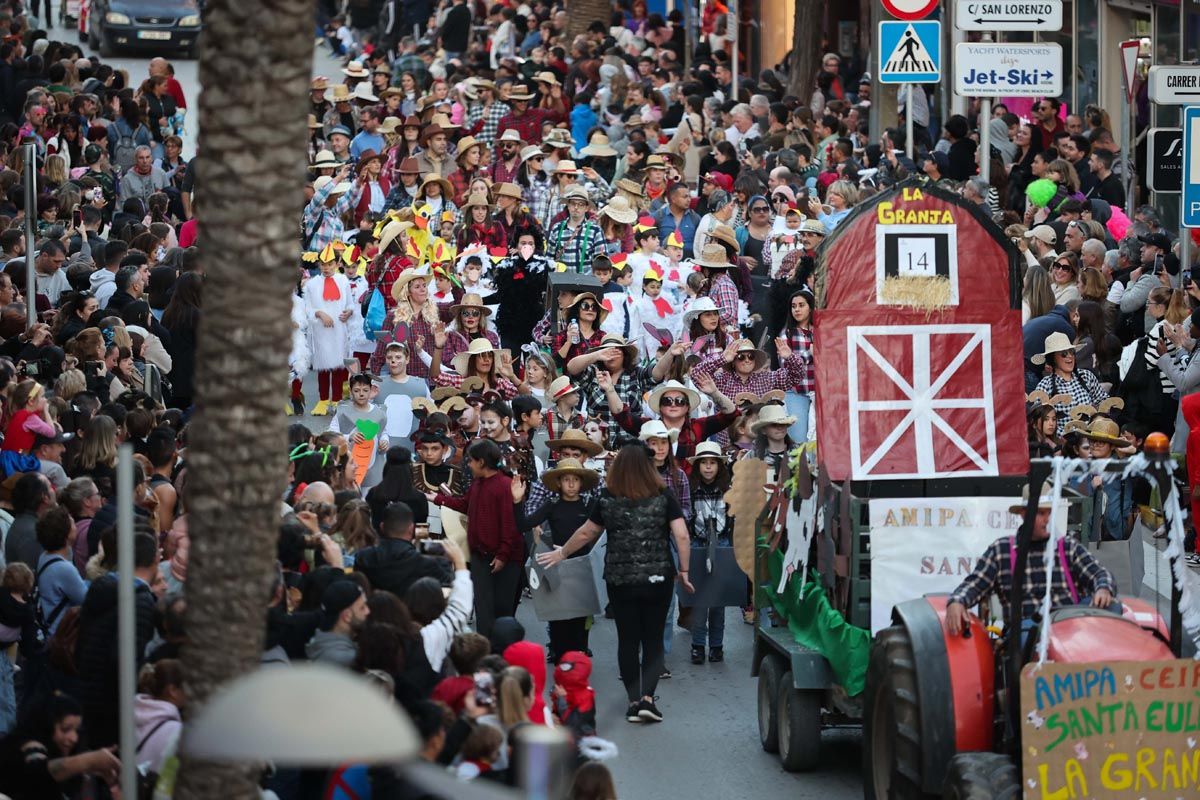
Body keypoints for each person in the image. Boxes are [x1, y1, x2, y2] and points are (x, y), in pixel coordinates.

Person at [537, 445, 694, 724]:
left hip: (620, 581)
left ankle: (633, 701)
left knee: (628, 639)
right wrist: (684, 570)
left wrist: (561, 553)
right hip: (658, 578)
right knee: (654, 638)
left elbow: (588, 531)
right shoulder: (662, 495)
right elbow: (681, 535)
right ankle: (648, 699)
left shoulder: (608, 496)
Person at [945, 485, 1116, 637]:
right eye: (1041, 513)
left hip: (1069, 634)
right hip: (1024, 640)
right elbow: (974, 584)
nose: (1047, 519)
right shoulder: (1001, 551)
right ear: (1024, 514)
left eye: (1050, 512)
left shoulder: (1068, 547)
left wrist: (1103, 589)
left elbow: (1100, 574)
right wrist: (957, 602)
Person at [429, 439, 523, 638]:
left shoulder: (504, 485)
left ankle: (501, 653)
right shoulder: (478, 484)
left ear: (481, 462)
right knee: (483, 608)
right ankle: (485, 652)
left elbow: (510, 524)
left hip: (503, 560)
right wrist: (437, 498)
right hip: (481, 556)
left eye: (471, 461)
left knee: (501, 610)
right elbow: (465, 505)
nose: (468, 465)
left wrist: (503, 555)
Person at [511, 458, 599, 661]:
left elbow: (601, 531)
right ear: (558, 483)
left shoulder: (590, 505)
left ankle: (578, 661)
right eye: (566, 479)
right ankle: (561, 660)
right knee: (559, 618)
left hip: (582, 566)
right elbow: (523, 525)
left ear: (581, 483)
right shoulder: (552, 505)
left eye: (575, 480)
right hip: (556, 565)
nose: (570, 484)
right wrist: (517, 502)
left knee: (581, 617)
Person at [353, 501, 451, 597]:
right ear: (411, 529)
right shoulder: (423, 562)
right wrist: (442, 558)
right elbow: (449, 581)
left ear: (382, 527)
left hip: (372, 611)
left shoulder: (362, 558)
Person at [305, 579, 369, 668]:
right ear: (347, 616)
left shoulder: (319, 641)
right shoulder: (345, 659)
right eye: (362, 608)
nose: (368, 611)